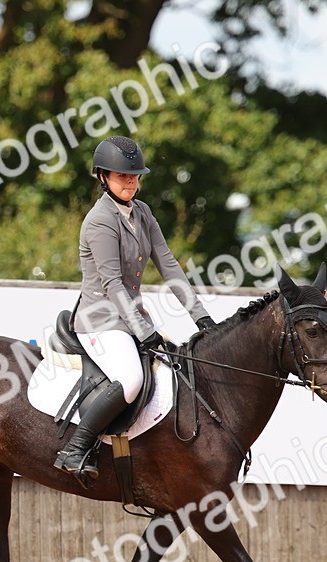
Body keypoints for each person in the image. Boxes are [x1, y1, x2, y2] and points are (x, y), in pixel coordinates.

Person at [53, 135, 214, 485]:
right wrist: (143, 331)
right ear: (102, 177)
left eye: (135, 175)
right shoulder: (99, 221)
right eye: (121, 175)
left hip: (132, 318)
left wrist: (200, 316)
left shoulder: (143, 213)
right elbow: (111, 283)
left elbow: (169, 266)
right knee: (131, 380)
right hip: (100, 320)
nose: (130, 181)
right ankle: (75, 449)